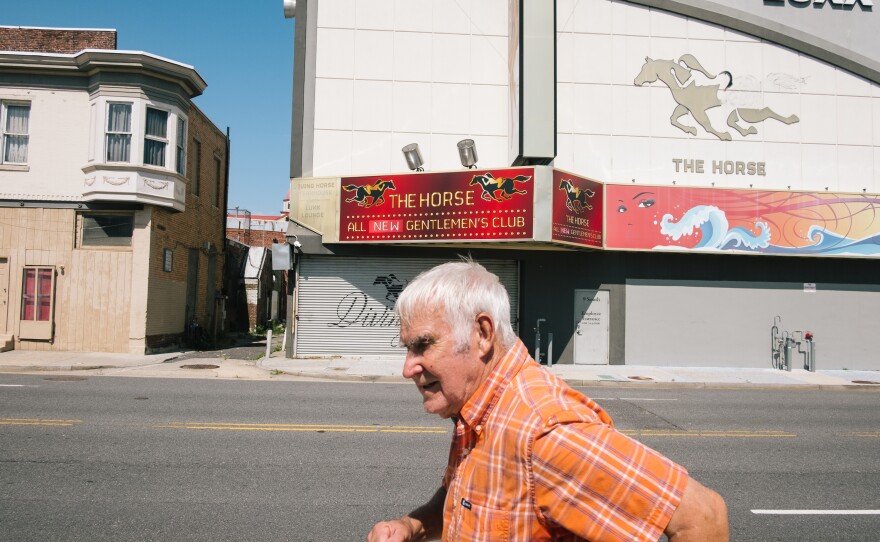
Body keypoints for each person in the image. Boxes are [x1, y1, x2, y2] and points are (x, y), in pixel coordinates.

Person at [368, 259, 729, 542]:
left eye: (423, 344)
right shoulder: (477, 409)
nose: (408, 368)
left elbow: (702, 516)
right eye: (407, 348)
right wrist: (412, 526)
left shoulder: (542, 431)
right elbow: (463, 496)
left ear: (482, 334)